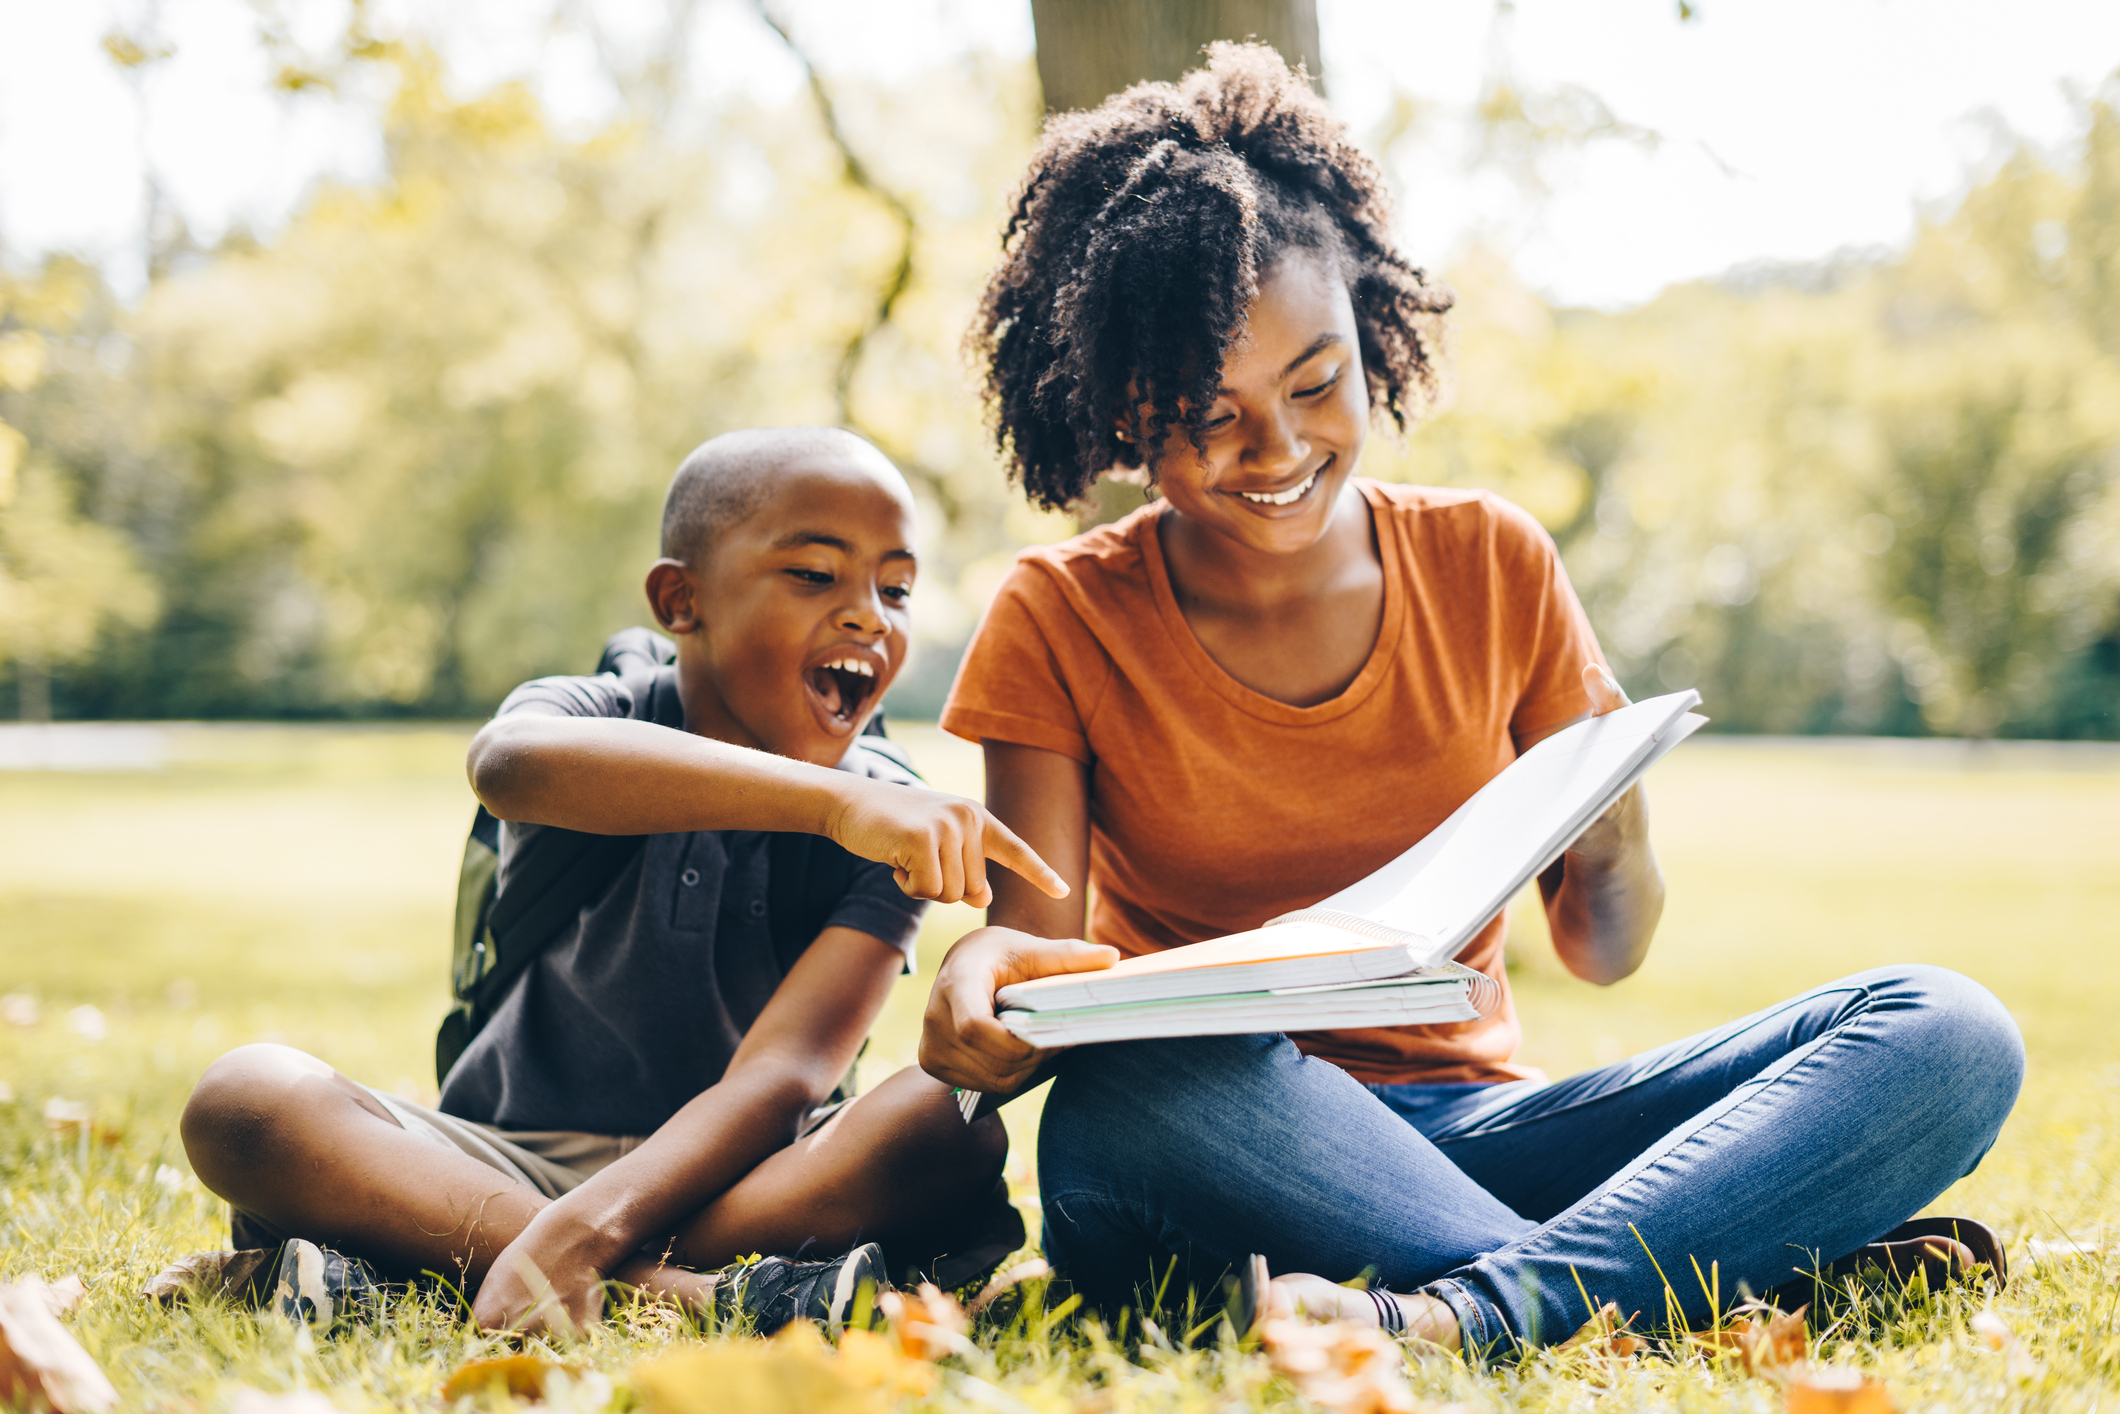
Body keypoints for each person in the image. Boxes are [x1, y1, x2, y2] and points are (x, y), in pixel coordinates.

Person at [916, 45, 2024, 1357]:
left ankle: (1466, 1310)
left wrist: (1611, 833)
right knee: (1128, 1088)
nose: (1280, 449)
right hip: (1219, 1127)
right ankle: (1703, 1262)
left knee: (1946, 1027)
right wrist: (982, 979)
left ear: (1369, 334)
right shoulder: (1060, 611)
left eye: (1316, 383)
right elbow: (1040, 954)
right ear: (1121, 411)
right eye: (1209, 415)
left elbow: (1605, 950)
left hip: (1477, 1130)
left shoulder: (1489, 558)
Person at [180, 426, 1068, 1336]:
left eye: (897, 589)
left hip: (739, 1180)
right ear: (682, 599)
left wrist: (589, 1231)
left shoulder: (895, 818)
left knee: (943, 1120)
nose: (870, 617)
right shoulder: (600, 712)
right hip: (498, 1164)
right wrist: (834, 805)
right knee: (246, 1098)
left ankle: (432, 1261)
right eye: (815, 574)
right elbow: (509, 765)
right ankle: (694, 1295)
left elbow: (784, 1076)